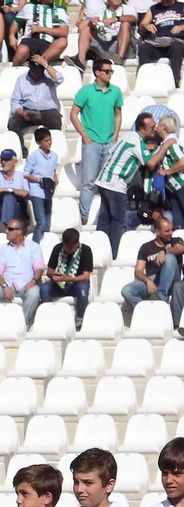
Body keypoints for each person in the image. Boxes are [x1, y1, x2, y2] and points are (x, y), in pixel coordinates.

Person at [72, 59, 124, 224]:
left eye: (111, 71)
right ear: (97, 72)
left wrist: (116, 135)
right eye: (107, 71)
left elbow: (117, 114)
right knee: (88, 181)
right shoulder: (85, 91)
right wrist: (85, 136)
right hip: (92, 142)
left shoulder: (115, 91)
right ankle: (84, 216)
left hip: (110, 141)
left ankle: (106, 215)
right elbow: (73, 114)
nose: (110, 74)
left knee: (108, 183)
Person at [94, 119, 147, 254]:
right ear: (142, 129)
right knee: (119, 220)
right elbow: (151, 162)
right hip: (115, 184)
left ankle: (99, 250)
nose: (154, 129)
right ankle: (113, 253)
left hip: (104, 180)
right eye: (152, 127)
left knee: (104, 218)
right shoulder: (137, 142)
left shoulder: (126, 137)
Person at [122, 211, 184, 326]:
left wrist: (164, 251)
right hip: (153, 281)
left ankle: (161, 297)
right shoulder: (146, 247)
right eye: (167, 231)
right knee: (127, 290)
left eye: (171, 230)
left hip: (172, 280)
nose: (171, 233)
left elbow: (180, 249)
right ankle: (147, 313)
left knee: (170, 258)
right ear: (158, 232)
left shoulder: (175, 241)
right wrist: (148, 281)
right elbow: (138, 271)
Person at [0, 218, 44, 324]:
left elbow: (39, 269)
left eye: (10, 229)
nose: (6, 231)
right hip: (7, 284)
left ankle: (23, 323)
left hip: (26, 285)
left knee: (34, 293)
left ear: (19, 231)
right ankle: (4, 320)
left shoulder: (34, 247)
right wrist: (5, 287)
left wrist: (33, 281)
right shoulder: (3, 249)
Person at [40, 225, 93, 327]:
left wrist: (67, 278)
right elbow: (49, 271)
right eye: (66, 246)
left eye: (70, 247)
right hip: (59, 283)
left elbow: (86, 276)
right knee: (44, 288)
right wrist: (54, 275)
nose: (68, 250)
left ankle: (79, 319)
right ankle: (51, 318)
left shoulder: (86, 251)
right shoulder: (58, 249)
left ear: (77, 244)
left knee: (83, 287)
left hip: (76, 284)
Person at [7, 58, 64, 143]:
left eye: (39, 72)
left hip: (48, 112)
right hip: (27, 111)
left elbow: (60, 79)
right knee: (13, 123)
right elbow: (15, 101)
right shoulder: (21, 79)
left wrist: (46, 64)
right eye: (35, 72)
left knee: (55, 120)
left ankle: (54, 149)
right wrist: (22, 113)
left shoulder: (50, 77)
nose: (37, 75)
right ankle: (21, 150)